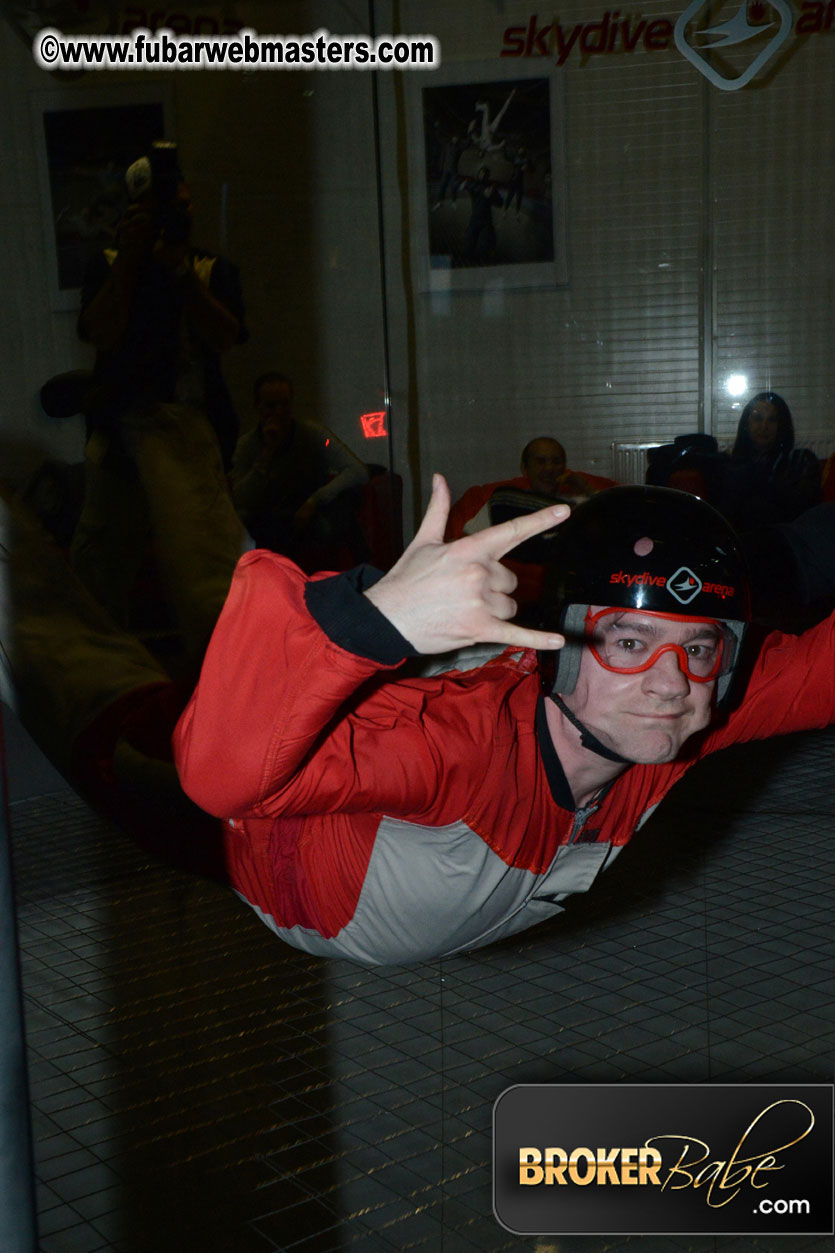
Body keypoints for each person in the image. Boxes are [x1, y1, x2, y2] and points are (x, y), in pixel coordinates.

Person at [172, 481, 835, 967]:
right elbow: (219, 782)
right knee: (164, 688)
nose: (669, 684)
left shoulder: (677, 715)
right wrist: (366, 621)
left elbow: (819, 673)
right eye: (628, 644)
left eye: (696, 650)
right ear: (566, 650)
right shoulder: (452, 746)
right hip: (271, 865)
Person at [70, 142, 247, 657]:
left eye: (185, 206)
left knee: (209, 585)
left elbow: (226, 336)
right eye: (169, 209)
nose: (182, 214)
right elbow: (101, 332)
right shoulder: (110, 263)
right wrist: (130, 258)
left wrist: (179, 272)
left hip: (191, 442)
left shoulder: (208, 268)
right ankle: (115, 693)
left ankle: (219, 688)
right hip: (121, 447)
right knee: (98, 582)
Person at [230, 373, 369, 567]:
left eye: (285, 405)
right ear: (258, 407)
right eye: (271, 406)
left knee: (344, 508)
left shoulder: (312, 435)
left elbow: (358, 471)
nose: (279, 412)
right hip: (266, 521)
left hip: (308, 519)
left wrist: (315, 500)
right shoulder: (247, 446)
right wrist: (266, 456)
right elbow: (239, 499)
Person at [446, 437, 615, 541]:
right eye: (540, 461)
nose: (549, 469)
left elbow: (619, 518)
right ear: (525, 468)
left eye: (556, 462)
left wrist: (585, 488)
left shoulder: (578, 502)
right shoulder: (504, 501)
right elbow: (465, 541)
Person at [722, 391, 821, 529]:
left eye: (772, 420)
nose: (764, 427)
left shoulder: (800, 462)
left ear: (781, 425)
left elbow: (802, 515)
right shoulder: (729, 467)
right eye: (757, 418)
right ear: (747, 424)